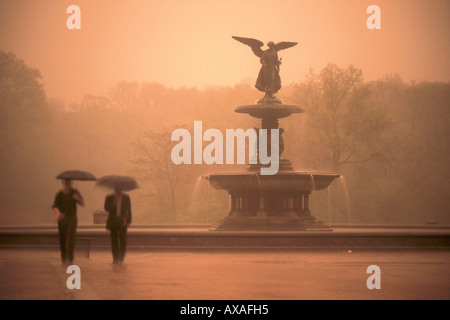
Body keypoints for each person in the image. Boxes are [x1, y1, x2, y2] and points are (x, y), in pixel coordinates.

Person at [52, 179, 84, 264]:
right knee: (62, 237)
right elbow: (55, 206)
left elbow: (82, 203)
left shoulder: (75, 192)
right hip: (62, 217)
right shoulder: (59, 194)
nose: (68, 185)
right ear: (63, 184)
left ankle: (70, 256)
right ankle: (63, 256)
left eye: (70, 183)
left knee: (71, 237)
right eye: (67, 183)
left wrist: (77, 198)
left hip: (72, 217)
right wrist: (58, 213)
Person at [104, 187, 132, 263]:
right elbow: (106, 208)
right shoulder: (109, 197)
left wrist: (129, 221)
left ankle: (121, 256)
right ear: (114, 189)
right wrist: (114, 203)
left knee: (123, 240)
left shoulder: (126, 197)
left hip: (123, 221)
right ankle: (115, 258)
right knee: (114, 240)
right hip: (113, 221)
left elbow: (129, 209)